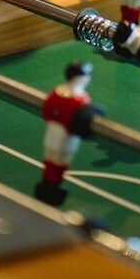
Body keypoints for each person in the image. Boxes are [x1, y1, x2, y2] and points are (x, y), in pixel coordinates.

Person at [35, 60, 104, 206]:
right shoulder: (79, 98)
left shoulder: (56, 91)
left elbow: (47, 110)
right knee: (60, 159)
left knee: (50, 157)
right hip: (66, 135)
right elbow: (76, 117)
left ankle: (49, 182)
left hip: (52, 130)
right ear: (79, 78)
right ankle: (52, 186)